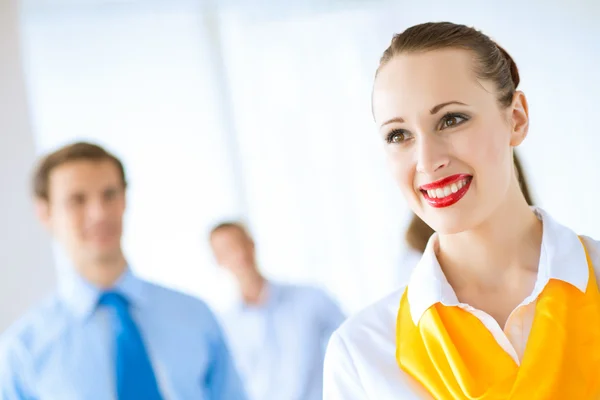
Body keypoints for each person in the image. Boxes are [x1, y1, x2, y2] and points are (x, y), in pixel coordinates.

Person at [324, 22, 600, 399]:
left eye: (451, 119)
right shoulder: (362, 355)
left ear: (516, 118)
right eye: (398, 135)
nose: (427, 160)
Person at [0, 142, 247, 399]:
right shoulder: (22, 353)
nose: (99, 213)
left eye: (109, 194)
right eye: (77, 200)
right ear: (45, 213)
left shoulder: (195, 317)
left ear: (125, 199)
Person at [209, 221, 345, 400]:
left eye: (241, 243)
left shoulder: (310, 299)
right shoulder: (224, 327)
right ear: (218, 260)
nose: (239, 254)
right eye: (228, 249)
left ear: (252, 244)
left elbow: (351, 345)